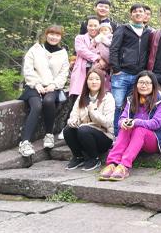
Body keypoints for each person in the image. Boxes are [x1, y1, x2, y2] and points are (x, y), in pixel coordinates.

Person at [99, 71, 161, 181]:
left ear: (153, 85)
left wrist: (135, 122)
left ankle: (124, 166)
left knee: (139, 130)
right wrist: (124, 122)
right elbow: (121, 119)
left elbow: (156, 123)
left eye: (147, 83)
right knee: (125, 127)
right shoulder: (132, 99)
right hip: (136, 139)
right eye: (141, 82)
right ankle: (112, 163)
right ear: (136, 84)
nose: (144, 85)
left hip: (155, 139)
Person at [18, 25, 69, 157]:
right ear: (46, 34)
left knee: (48, 101)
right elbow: (28, 69)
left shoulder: (63, 53)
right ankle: (25, 142)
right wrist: (36, 84)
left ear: (60, 37)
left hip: (52, 87)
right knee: (36, 106)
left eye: (57, 35)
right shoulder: (35, 49)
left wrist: (54, 84)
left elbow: (64, 73)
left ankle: (49, 134)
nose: (54, 37)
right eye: (51, 34)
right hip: (34, 86)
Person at [109, 3, 152, 136]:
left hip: (139, 76)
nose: (138, 13)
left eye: (141, 11)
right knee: (118, 105)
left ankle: (128, 135)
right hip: (122, 74)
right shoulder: (123, 29)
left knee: (133, 106)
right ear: (131, 14)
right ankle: (116, 135)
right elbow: (114, 49)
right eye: (135, 11)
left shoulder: (148, 32)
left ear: (145, 15)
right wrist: (116, 69)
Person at [64, 69, 114, 171]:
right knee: (68, 130)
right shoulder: (81, 98)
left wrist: (93, 111)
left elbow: (108, 122)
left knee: (84, 130)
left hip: (103, 137)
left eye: (97, 79)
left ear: (102, 81)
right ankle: (78, 157)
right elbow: (74, 115)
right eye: (91, 79)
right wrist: (73, 121)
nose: (94, 82)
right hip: (84, 134)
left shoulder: (108, 98)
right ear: (86, 81)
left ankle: (94, 158)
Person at [70, 17, 104, 100]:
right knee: (79, 97)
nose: (93, 28)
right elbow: (81, 50)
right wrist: (97, 57)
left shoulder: (103, 39)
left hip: (97, 70)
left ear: (99, 26)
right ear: (87, 27)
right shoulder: (80, 38)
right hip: (81, 70)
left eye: (95, 25)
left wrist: (104, 61)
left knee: (95, 98)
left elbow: (106, 53)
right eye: (90, 25)